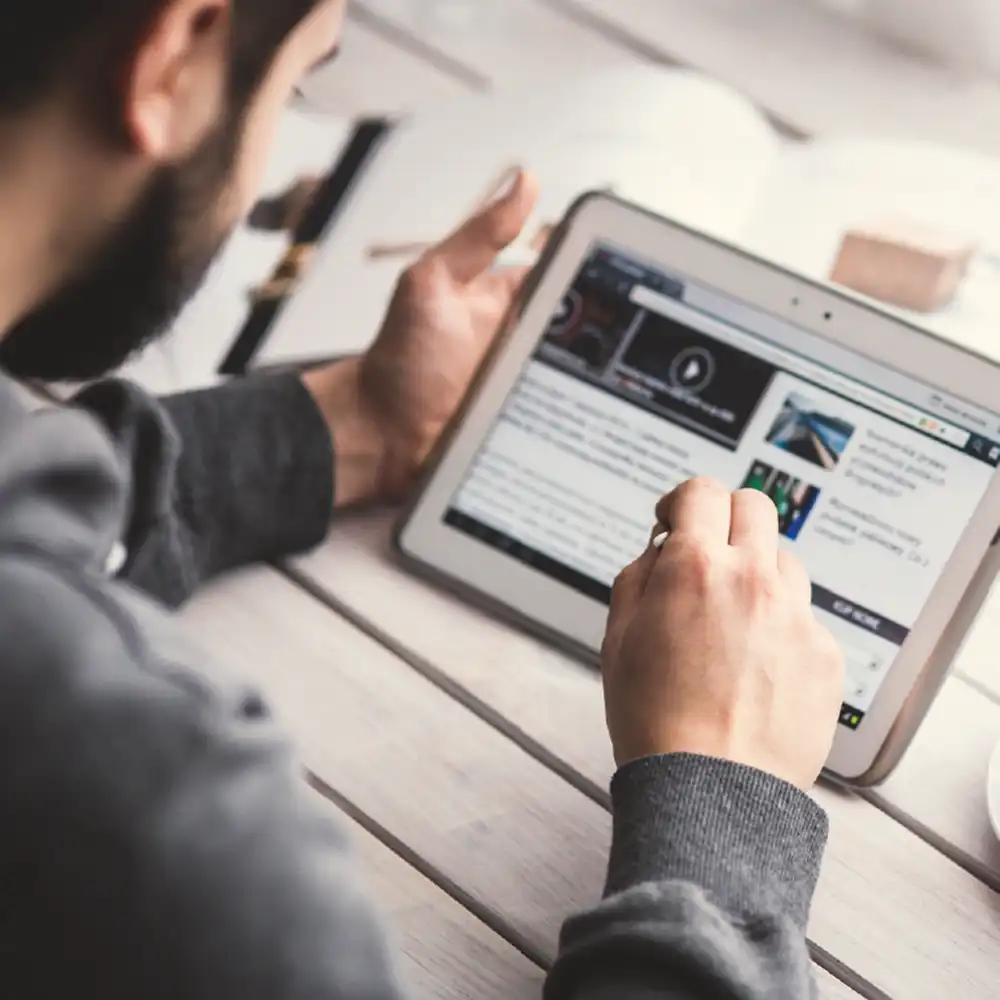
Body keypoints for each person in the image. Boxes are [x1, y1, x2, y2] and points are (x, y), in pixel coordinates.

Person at [0, 1, 846, 997]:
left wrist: (353, 423)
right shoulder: (178, 831)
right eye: (299, 80)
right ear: (173, 53)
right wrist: (722, 809)